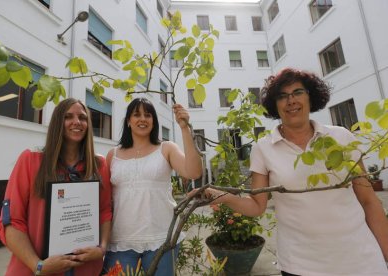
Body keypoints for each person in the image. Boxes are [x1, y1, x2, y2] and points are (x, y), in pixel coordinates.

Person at [201, 68, 388, 275]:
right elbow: (257, 206)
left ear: (311, 96)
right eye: (282, 96)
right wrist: (222, 196)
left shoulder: (341, 138)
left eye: (298, 92)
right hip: (300, 265)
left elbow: (368, 200)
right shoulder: (264, 148)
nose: (291, 101)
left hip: (360, 259)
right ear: (275, 105)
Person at [0, 98, 112, 276]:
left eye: (82, 117)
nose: (77, 122)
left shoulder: (99, 164)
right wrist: (38, 265)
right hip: (34, 269)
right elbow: (12, 221)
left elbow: (104, 211)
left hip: (86, 269)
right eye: (68, 116)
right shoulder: (30, 160)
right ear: (58, 121)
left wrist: (102, 248)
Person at [102, 97, 202, 275]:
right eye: (137, 115)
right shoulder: (113, 155)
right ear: (128, 121)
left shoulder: (166, 148)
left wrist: (184, 128)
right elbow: (105, 201)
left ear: (153, 121)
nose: (143, 119)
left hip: (161, 238)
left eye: (148, 115)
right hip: (121, 241)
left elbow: (193, 172)